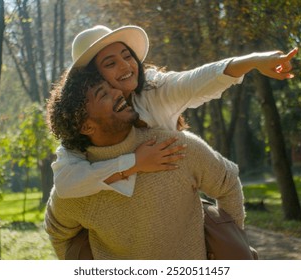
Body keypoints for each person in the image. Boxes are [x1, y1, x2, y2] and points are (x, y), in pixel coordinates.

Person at [52, 24, 298, 199]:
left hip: (176, 207)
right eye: (110, 63)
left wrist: (253, 60)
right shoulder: (83, 123)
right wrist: (134, 163)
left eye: (127, 56)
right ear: (94, 77)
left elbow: (196, 80)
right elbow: (66, 183)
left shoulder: (154, 88)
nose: (126, 65)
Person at [44, 68, 245, 259]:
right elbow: (58, 232)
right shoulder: (77, 187)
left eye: (110, 87)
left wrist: (229, 245)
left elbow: (227, 183)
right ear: (86, 126)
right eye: (102, 94)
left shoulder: (172, 147)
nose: (117, 92)